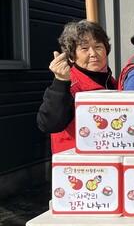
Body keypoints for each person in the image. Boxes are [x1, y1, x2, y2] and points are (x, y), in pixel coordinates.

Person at [36, 20, 116, 153]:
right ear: (72, 56)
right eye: (84, 48)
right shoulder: (69, 83)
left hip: (106, 156)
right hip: (77, 160)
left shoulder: (111, 81)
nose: (93, 53)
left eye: (98, 46)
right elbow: (48, 124)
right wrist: (60, 81)